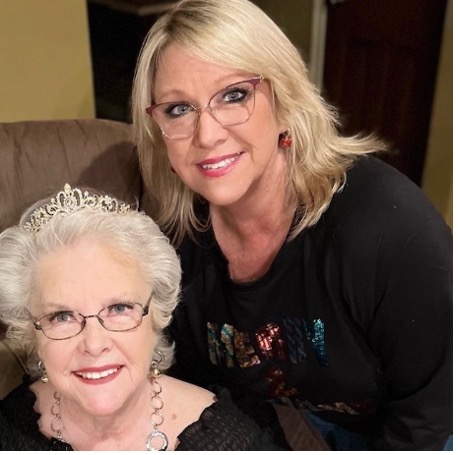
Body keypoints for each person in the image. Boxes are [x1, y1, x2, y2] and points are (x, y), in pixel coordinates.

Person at [131, 0, 453, 450]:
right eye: (179, 108)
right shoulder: (174, 243)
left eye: (234, 95)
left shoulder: (388, 230)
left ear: (284, 101)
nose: (207, 135)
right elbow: (200, 398)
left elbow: (429, 419)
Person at [0, 183, 291, 451]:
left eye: (119, 309)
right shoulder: (8, 431)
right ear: (31, 331)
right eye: (62, 316)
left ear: (156, 318)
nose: (94, 344)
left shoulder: (234, 442)